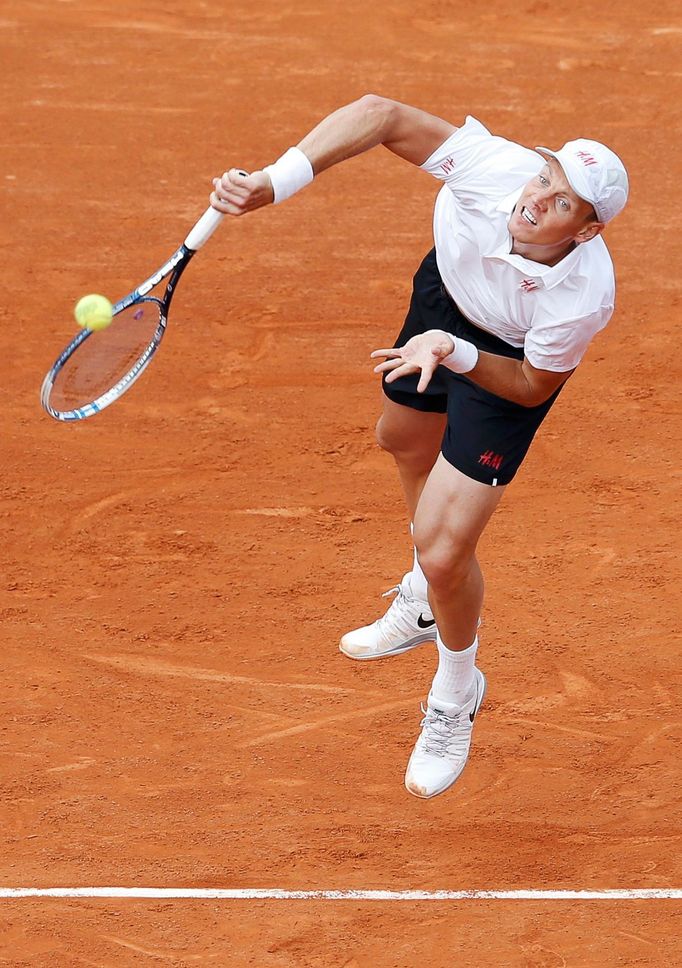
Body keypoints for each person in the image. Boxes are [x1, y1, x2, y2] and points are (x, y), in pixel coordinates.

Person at [209, 94, 629, 799]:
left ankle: (455, 692)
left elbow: (530, 384)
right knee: (401, 438)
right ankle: (427, 601)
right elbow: (381, 114)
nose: (538, 200)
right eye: (545, 180)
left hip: (506, 362)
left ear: (586, 232)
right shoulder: (498, 171)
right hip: (444, 300)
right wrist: (273, 183)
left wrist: (457, 352)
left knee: (443, 552)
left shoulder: (583, 295)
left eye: (563, 204)